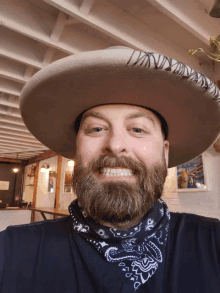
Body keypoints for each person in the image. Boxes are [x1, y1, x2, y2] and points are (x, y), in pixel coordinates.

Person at [0, 47, 220, 293]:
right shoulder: (11, 251)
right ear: (76, 150)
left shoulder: (213, 242)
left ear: (165, 152)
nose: (115, 146)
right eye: (96, 129)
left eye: (137, 129)